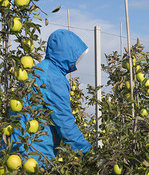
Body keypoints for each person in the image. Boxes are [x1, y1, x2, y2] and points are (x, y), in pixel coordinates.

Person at [8, 29, 92, 166]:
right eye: (75, 56)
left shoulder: (39, 70)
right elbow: (64, 121)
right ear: (66, 53)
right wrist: (85, 151)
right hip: (32, 155)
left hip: (14, 149)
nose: (76, 62)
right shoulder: (53, 78)